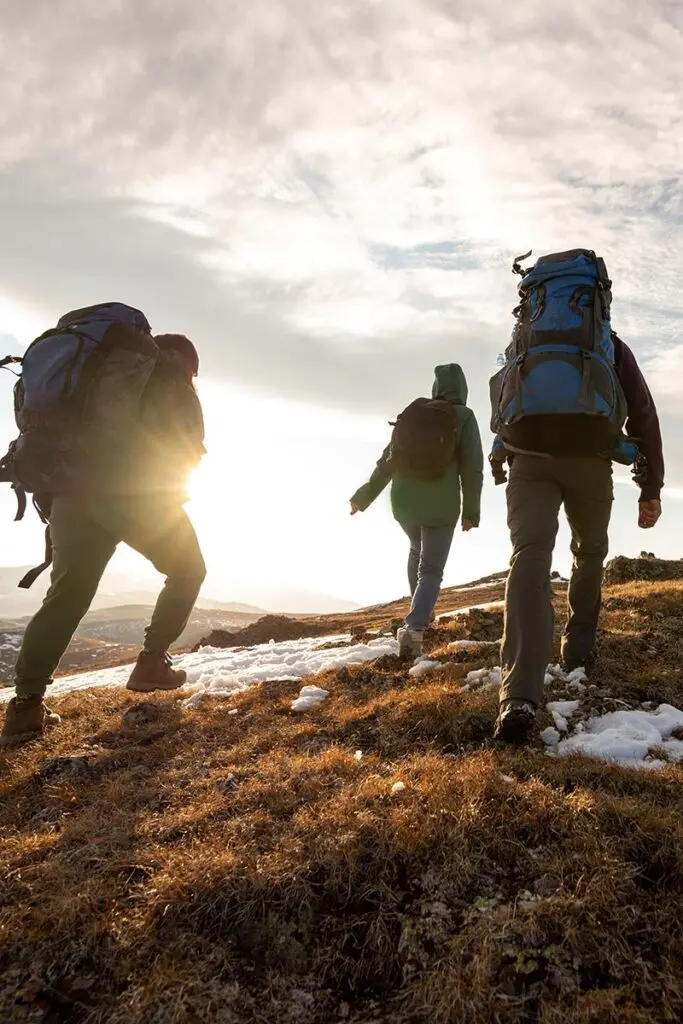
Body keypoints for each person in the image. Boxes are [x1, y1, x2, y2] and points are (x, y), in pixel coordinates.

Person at [0, 325, 206, 748]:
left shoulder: (94, 378)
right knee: (188, 570)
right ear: (186, 364)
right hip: (134, 494)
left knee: (66, 597)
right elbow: (186, 448)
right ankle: (151, 664)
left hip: (70, 496)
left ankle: (25, 707)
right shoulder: (169, 380)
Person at [491, 329, 664, 744]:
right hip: (590, 461)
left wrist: (502, 454)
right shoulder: (607, 344)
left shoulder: (525, 340)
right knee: (588, 551)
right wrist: (651, 487)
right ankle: (579, 650)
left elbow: (504, 401)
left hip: (528, 464)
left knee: (529, 555)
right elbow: (643, 412)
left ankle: (519, 696)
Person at [350, 364, 483, 657]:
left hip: (404, 502)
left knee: (415, 550)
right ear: (463, 390)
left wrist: (364, 496)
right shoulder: (464, 417)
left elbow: (387, 460)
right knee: (431, 568)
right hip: (442, 506)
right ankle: (415, 628)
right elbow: (472, 469)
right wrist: (471, 510)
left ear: (436, 388)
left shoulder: (414, 414)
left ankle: (419, 608)